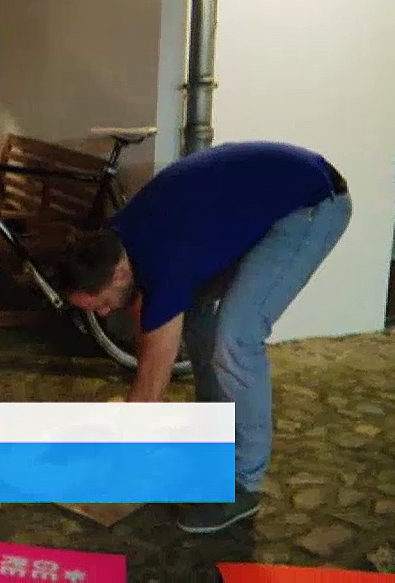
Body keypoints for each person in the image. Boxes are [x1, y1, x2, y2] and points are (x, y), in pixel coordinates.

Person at [55, 141, 351, 534]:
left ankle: (242, 486)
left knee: (236, 337)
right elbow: (152, 329)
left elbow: (151, 381)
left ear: (119, 274)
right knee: (197, 317)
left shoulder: (161, 258)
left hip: (312, 203)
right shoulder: (119, 242)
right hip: (271, 197)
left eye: (103, 304)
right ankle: (215, 442)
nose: (105, 314)